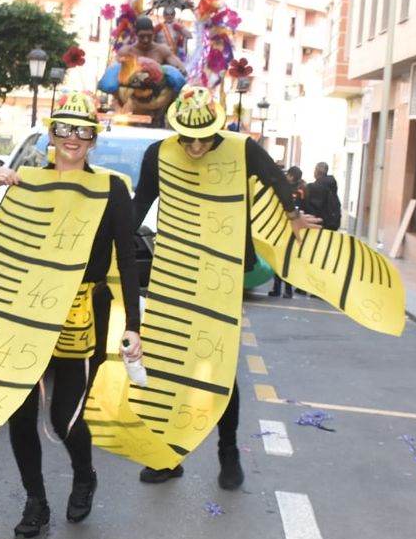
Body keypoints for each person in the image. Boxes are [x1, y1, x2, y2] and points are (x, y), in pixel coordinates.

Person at [0, 92, 144, 539]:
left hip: (85, 313)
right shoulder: (27, 183)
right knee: (20, 410)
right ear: (51, 134)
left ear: (93, 140)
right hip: (26, 313)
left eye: (83, 131)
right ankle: (36, 500)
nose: (73, 139)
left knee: (65, 416)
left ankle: (84, 475)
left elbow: (126, 259)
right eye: (64, 129)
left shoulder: (112, 188)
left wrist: (133, 327)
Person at [132, 86, 320, 490]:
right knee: (166, 365)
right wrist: (109, 246)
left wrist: (291, 215)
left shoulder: (241, 149)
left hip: (224, 274)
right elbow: (138, 206)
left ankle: (228, 450)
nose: (197, 146)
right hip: (174, 272)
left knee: (217, 368)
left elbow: (275, 178)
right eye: (188, 138)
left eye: (205, 138)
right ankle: (168, 456)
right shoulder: (158, 156)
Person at [98, 16, 187, 121]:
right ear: (136, 34)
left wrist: (177, 71)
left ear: (153, 34)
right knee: (114, 74)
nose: (145, 40)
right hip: (129, 102)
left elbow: (180, 68)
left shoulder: (162, 50)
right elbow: (111, 72)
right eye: (142, 36)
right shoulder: (126, 51)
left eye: (149, 36)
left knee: (173, 74)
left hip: (157, 101)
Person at [268, 166, 307, 298]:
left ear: (290, 176)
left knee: (279, 258)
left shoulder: (282, 188)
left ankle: (279, 288)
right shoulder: (301, 190)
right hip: (293, 229)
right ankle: (286, 289)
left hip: (281, 227)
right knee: (288, 260)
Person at [303, 161, 342, 231]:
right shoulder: (332, 185)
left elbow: (311, 208)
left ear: (316, 172)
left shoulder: (313, 187)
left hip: (318, 225)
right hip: (333, 223)